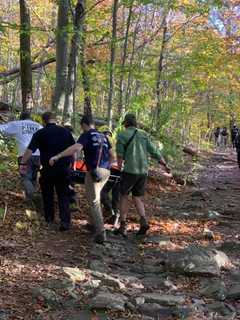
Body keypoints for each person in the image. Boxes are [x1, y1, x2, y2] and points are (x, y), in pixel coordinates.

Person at [49, 115, 114, 244]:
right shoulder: (104, 137)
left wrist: (58, 156)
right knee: (96, 198)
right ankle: (92, 224)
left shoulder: (87, 134)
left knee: (93, 201)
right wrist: (107, 166)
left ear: (84, 124)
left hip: (94, 172)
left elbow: (76, 148)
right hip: (106, 171)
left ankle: (101, 232)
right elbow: (113, 155)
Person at [115, 113, 171, 237]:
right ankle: (143, 221)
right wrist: (164, 164)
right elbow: (154, 151)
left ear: (125, 124)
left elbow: (119, 155)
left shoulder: (122, 135)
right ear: (135, 124)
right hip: (143, 172)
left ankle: (123, 226)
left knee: (124, 196)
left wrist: (119, 168)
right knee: (137, 197)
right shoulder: (143, 134)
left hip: (129, 170)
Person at [20, 112, 75, 231]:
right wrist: (72, 165)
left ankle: (49, 218)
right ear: (55, 120)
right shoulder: (66, 132)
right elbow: (73, 150)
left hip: (48, 169)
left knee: (47, 194)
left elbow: (30, 150)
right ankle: (65, 222)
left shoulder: (40, 133)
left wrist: (23, 163)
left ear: (43, 121)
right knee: (63, 195)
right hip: (64, 169)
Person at [0, 111, 42, 201]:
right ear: (30, 118)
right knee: (34, 177)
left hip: (25, 154)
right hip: (39, 154)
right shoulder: (38, 126)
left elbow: (2, 129)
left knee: (26, 177)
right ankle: (30, 200)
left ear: (21, 118)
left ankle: (33, 195)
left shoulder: (17, 124)